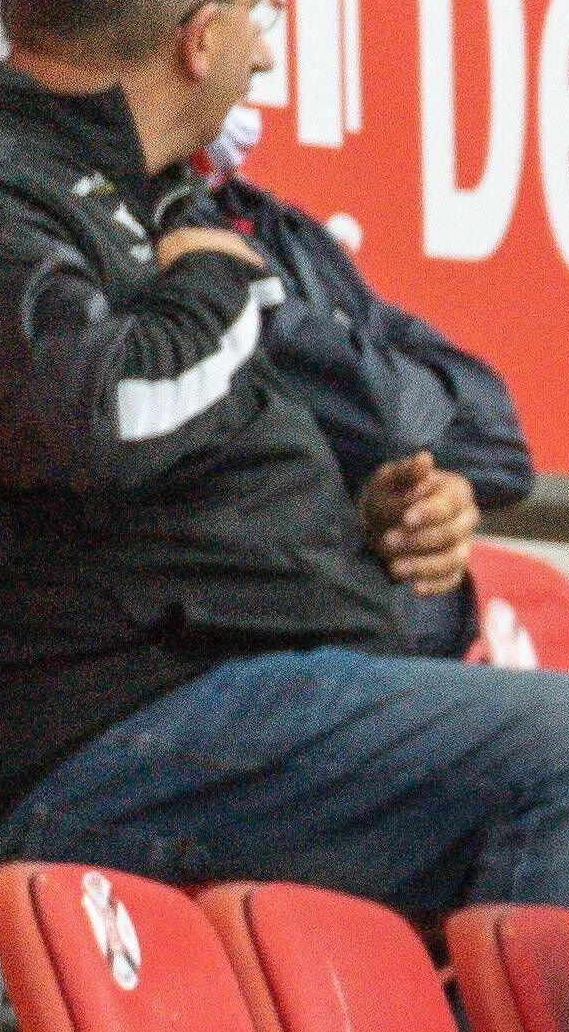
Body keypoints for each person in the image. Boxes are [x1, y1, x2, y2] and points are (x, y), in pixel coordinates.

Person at [0, 0, 569, 909]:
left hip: (249, 684)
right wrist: (213, 285)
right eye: (260, 15)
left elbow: (191, 449)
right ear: (200, 37)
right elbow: (89, 416)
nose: (263, 52)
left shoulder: (149, 196)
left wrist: (362, 518)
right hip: (100, 731)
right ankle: (559, 1031)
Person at [189, 109, 544, 669]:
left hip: (404, 650)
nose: (262, 63)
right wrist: (381, 444)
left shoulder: (279, 224)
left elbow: (500, 441)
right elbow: (388, 422)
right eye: (252, 26)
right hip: (268, 661)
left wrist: (404, 484)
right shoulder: (170, 231)